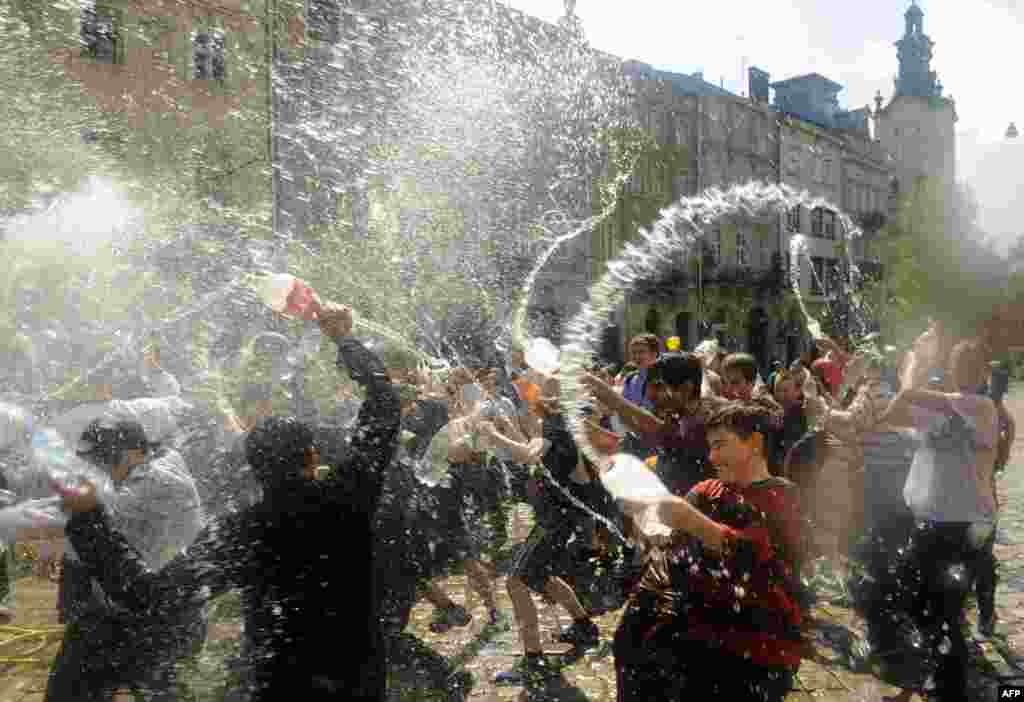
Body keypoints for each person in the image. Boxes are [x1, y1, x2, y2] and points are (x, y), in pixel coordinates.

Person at [57, 302, 401, 701]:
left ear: (253, 471)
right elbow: (384, 405)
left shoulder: (243, 532)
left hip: (283, 685)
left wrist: (88, 520)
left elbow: (148, 595)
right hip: (358, 677)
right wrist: (344, 339)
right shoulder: (350, 495)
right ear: (312, 457)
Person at [612, 402, 804, 701]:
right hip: (693, 634)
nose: (712, 456)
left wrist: (691, 520)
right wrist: (647, 523)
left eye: (720, 445)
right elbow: (673, 546)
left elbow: (755, 554)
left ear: (754, 443)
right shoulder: (705, 490)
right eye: (709, 447)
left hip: (751, 645)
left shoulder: (781, 497)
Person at [46, 418, 204, 702]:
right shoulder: (150, 466)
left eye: (102, 460)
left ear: (132, 453)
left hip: (161, 615)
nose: (98, 469)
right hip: (139, 606)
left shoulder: (161, 481)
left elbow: (99, 509)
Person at [877, 334, 998, 702]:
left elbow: (910, 395)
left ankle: (946, 689)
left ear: (983, 375)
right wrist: (911, 379)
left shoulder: (982, 407)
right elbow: (890, 414)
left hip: (964, 524)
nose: (966, 373)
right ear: (950, 369)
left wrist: (914, 367)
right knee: (917, 603)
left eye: (973, 367)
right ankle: (917, 683)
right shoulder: (939, 411)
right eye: (960, 366)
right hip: (930, 521)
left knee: (946, 609)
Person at [493, 372, 600, 686]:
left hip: (554, 520)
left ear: (544, 400)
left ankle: (533, 660)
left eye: (533, 391)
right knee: (539, 576)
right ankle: (584, 627)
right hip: (558, 518)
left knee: (515, 581)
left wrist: (492, 434)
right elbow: (535, 451)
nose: (527, 395)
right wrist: (508, 430)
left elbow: (528, 454)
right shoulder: (558, 426)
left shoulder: (556, 425)